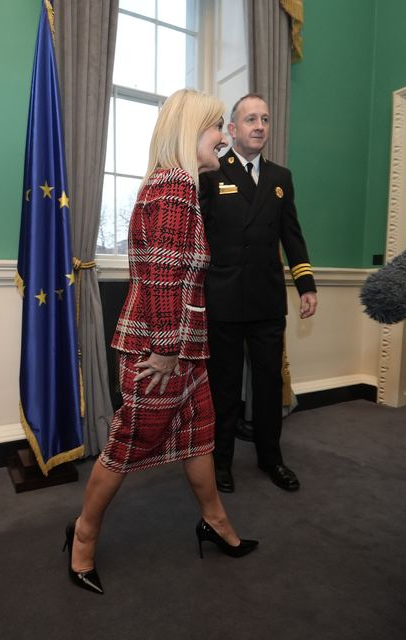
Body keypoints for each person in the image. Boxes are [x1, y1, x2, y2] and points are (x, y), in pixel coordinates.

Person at [65, 89, 258, 596]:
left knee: (200, 435)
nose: (224, 137)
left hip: (181, 349)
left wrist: (178, 349)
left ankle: (215, 521)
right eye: (218, 127)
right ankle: (82, 536)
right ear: (192, 130)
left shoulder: (174, 186)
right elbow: (165, 278)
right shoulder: (173, 188)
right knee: (128, 445)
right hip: (161, 351)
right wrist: (168, 350)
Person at [199, 93, 317, 494]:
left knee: (268, 386)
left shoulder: (281, 177)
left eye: (265, 119)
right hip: (225, 299)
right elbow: (197, 238)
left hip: (266, 299)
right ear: (232, 130)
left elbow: (292, 236)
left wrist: (306, 284)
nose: (260, 126)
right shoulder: (211, 172)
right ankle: (221, 462)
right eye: (251, 119)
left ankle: (272, 458)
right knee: (225, 387)